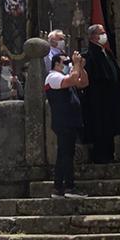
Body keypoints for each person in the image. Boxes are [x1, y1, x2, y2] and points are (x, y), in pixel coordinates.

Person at [80, 23, 120, 163]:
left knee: (110, 126)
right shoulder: (89, 55)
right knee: (100, 126)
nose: (104, 36)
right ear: (93, 37)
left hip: (111, 97)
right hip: (98, 99)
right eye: (101, 33)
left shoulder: (106, 52)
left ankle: (110, 153)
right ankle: (101, 155)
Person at [45, 47, 87, 196]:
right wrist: (75, 65)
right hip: (63, 121)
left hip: (70, 121)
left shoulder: (66, 75)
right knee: (66, 155)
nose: (68, 64)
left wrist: (80, 67)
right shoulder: (53, 77)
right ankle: (69, 187)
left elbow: (83, 83)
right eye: (65, 62)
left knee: (65, 154)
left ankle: (59, 188)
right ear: (56, 63)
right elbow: (73, 80)